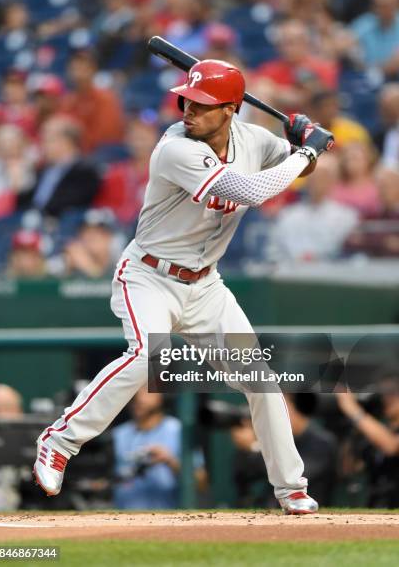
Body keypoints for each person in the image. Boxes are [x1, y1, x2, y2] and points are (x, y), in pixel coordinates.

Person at [33, 57, 334, 515]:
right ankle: (60, 440)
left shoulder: (252, 138)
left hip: (206, 285)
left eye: (203, 104)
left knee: (262, 383)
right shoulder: (175, 147)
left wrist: (302, 141)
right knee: (148, 356)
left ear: (232, 109)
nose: (189, 110)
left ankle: (291, 488)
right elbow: (251, 191)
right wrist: (307, 152)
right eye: (187, 100)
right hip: (149, 275)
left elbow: (296, 173)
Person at [231, 393, 337, 507]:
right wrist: (247, 448)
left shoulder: (321, 443)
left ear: (296, 409)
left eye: (279, 410)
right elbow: (243, 476)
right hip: (271, 510)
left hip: (306, 511)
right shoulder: (278, 440)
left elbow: (294, 474)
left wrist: (254, 447)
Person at [113, 387, 199, 509]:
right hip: (123, 519)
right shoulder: (118, 434)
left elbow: (201, 483)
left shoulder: (178, 431)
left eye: (145, 391)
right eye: (135, 391)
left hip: (168, 519)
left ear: (162, 396)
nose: (138, 397)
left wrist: (170, 461)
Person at [268, 158, 359, 262]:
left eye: (322, 177)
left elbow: (347, 254)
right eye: (313, 178)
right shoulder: (287, 215)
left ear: (332, 181)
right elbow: (274, 250)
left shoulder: (347, 216)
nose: (316, 183)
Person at [336, 381, 399, 507]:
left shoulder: (381, 435)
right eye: (385, 395)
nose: (387, 399)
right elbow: (348, 468)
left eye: (393, 394)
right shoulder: (377, 431)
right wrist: (355, 428)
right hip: (377, 504)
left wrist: (354, 410)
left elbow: (391, 446)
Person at [23, 115, 100, 217]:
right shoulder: (43, 169)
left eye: (47, 140)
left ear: (65, 142)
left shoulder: (85, 171)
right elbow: (26, 201)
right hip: (31, 221)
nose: (42, 145)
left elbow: (70, 204)